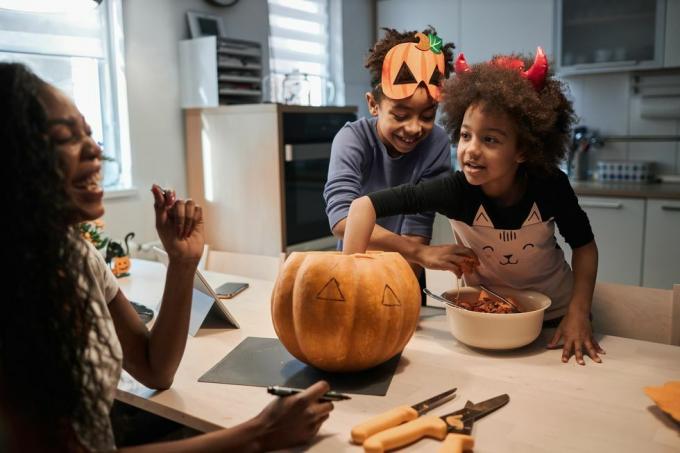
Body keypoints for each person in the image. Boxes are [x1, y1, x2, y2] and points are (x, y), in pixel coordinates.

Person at [0, 62, 332, 452]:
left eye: (89, 134)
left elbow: (154, 368)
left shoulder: (76, 254)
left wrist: (182, 262)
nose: (94, 149)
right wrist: (257, 434)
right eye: (65, 137)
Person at [341, 48, 604, 366]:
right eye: (466, 136)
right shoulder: (456, 191)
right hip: (484, 322)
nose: (471, 151)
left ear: (522, 150)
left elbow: (585, 247)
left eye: (490, 140)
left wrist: (578, 313)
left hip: (555, 322)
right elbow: (362, 206)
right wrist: (348, 291)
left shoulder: (550, 186)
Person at [323, 27, 464, 287]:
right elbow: (342, 220)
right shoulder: (352, 139)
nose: (413, 128)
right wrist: (421, 254)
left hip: (401, 273)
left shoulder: (436, 144)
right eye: (400, 115)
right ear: (373, 104)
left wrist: (402, 298)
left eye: (427, 116)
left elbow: (417, 230)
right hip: (353, 266)